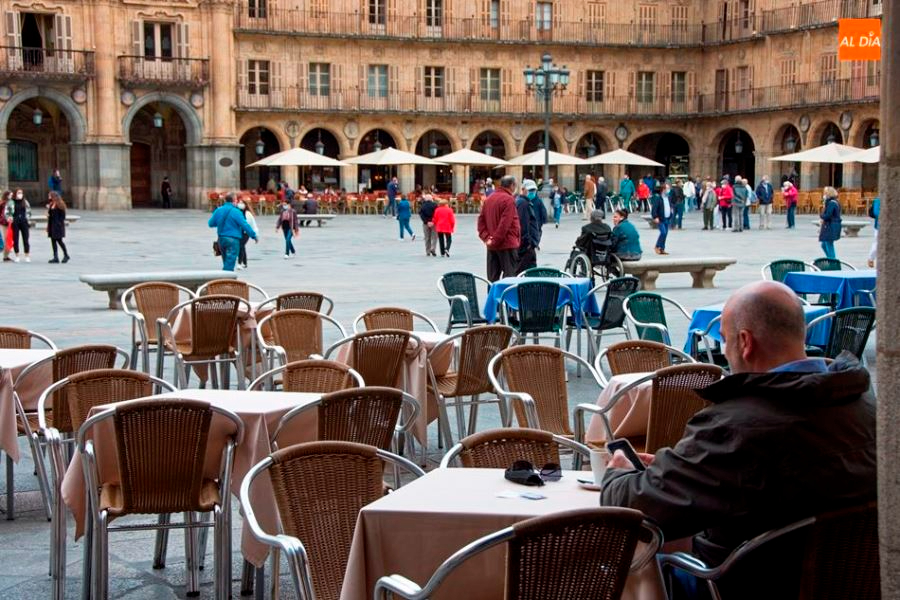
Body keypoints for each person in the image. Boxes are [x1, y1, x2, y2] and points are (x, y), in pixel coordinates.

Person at [601, 280, 876, 600]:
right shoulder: (863, 403)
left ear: (745, 342)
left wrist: (619, 472)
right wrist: (675, 468)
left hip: (744, 584)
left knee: (629, 564)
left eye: (726, 341)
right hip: (850, 583)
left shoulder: (740, 427)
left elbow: (632, 510)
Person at [477, 174, 521, 282]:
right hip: (507, 244)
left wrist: (487, 238)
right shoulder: (509, 199)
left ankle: (492, 299)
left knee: (492, 280)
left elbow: (481, 222)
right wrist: (495, 240)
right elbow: (505, 224)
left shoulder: (489, 199)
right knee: (509, 279)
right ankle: (507, 299)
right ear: (512, 185)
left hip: (492, 246)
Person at [208, 193, 257, 271]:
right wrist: (254, 235)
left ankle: (226, 277)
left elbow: (211, 224)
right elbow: (245, 225)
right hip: (233, 239)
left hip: (221, 239)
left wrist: (220, 222)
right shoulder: (236, 212)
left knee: (226, 260)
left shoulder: (219, 210)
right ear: (234, 201)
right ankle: (226, 279)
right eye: (236, 200)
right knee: (230, 263)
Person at [515, 179, 542, 273]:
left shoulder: (525, 202)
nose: (532, 192)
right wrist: (527, 244)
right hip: (526, 246)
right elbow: (523, 225)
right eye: (530, 190)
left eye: (534, 190)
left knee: (529, 271)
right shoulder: (523, 203)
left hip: (529, 244)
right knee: (523, 272)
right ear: (523, 190)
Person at [5, 189, 31, 262]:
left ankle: (27, 255)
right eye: (19, 193)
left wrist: (27, 218)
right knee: (15, 239)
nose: (20, 194)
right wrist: (10, 219)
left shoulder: (25, 202)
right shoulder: (11, 202)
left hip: (24, 221)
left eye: (21, 193)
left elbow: (29, 211)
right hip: (15, 222)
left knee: (26, 239)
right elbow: (7, 212)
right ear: (15, 194)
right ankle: (17, 255)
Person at [45, 191, 70, 264]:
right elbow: (50, 215)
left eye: (49, 196)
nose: (49, 197)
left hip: (58, 226)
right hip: (52, 225)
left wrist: (58, 223)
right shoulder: (51, 204)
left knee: (59, 241)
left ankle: (66, 255)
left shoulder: (60, 204)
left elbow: (62, 216)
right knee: (53, 241)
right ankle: (55, 257)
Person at [819, 186, 842, 259]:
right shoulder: (831, 202)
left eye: (825, 193)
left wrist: (821, 215)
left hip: (831, 226)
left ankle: (832, 260)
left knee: (829, 244)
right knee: (824, 244)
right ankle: (829, 258)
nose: (824, 194)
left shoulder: (832, 203)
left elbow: (828, 215)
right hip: (831, 225)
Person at [649, 184, 671, 255]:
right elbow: (654, 209)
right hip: (661, 219)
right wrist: (655, 217)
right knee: (663, 232)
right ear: (663, 190)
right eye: (667, 188)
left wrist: (671, 212)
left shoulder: (668, 198)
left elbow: (670, 205)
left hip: (667, 218)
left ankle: (662, 248)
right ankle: (657, 246)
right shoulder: (658, 198)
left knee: (665, 234)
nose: (668, 190)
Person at [236, 199, 258, 270]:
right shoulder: (235, 212)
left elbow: (253, 224)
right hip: (238, 232)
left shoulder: (248, 214)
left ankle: (239, 263)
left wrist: (255, 235)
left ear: (245, 205)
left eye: (242, 203)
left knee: (241, 246)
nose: (240, 204)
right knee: (242, 247)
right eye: (239, 203)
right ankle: (245, 262)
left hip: (246, 233)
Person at [868, 196, 879, 268]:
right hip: (880, 226)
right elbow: (876, 212)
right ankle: (871, 258)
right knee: (877, 243)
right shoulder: (878, 200)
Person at [0, 191, 9, 262]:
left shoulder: (11, 202)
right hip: (4, 222)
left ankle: (6, 255)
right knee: (5, 238)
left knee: (9, 239)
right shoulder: (2, 203)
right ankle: (5, 255)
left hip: (11, 222)